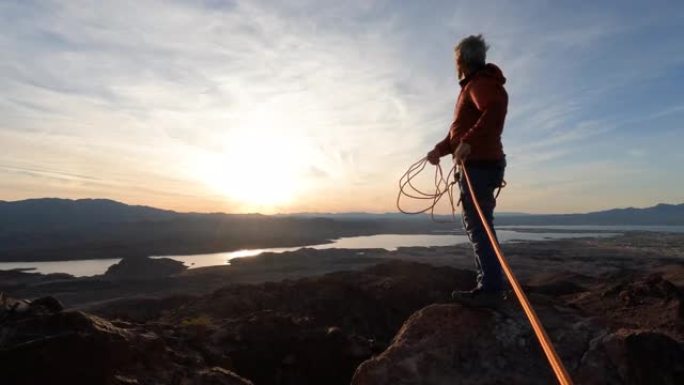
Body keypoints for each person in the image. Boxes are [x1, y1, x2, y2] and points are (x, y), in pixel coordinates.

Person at [427, 34, 508, 304]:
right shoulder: (476, 85)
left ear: (461, 61)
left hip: (479, 168)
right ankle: (490, 286)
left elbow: (494, 110)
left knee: (478, 226)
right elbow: (458, 136)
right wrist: (440, 150)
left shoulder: (479, 85)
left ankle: (491, 290)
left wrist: (469, 143)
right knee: (478, 225)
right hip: (481, 165)